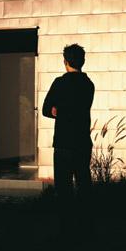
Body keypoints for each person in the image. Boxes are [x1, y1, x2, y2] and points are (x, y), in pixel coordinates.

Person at [42, 44, 95, 238]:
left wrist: (57, 110)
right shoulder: (88, 84)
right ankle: (85, 227)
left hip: (63, 142)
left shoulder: (59, 83)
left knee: (63, 189)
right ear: (83, 61)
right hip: (82, 142)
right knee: (83, 185)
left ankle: (65, 229)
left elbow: (46, 109)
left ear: (65, 61)